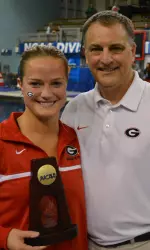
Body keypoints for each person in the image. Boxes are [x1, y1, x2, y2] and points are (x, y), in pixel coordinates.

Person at [61, 10, 150, 250]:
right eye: (96, 49)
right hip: (84, 242)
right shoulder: (75, 109)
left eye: (116, 48)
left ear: (132, 52)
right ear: (86, 55)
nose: (105, 58)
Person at [0, 45, 88, 250]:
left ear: (66, 84)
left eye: (56, 83)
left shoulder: (78, 140)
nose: (46, 94)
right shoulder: (2, 142)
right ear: (21, 85)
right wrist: (4, 237)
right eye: (35, 84)